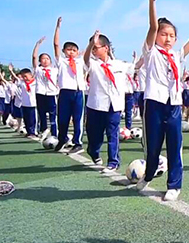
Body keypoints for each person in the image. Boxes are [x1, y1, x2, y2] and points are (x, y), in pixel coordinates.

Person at [136, 0, 189, 201]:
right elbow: (152, 27)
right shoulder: (151, 52)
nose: (168, 38)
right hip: (154, 103)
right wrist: (152, 1)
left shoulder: (177, 55)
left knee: (175, 145)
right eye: (163, 34)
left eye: (171, 36)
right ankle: (149, 174)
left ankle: (174, 185)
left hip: (174, 105)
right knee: (153, 146)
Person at [83, 30, 128, 172]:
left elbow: (136, 66)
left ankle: (113, 162)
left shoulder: (119, 64)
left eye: (96, 47)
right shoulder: (92, 63)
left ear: (106, 48)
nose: (93, 51)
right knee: (95, 137)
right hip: (96, 105)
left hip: (114, 105)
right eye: (92, 48)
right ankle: (93, 151)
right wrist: (91, 44)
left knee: (113, 134)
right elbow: (86, 58)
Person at [53, 17, 86, 154]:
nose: (71, 52)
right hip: (65, 92)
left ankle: (78, 143)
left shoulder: (81, 61)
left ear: (77, 52)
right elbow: (56, 44)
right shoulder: (61, 61)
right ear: (64, 51)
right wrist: (58, 27)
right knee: (62, 119)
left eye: (74, 50)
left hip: (78, 92)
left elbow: (88, 53)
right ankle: (62, 139)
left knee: (78, 119)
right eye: (68, 49)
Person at [32, 36, 59, 139]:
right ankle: (43, 131)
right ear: (40, 61)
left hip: (52, 94)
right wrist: (38, 44)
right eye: (43, 58)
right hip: (40, 93)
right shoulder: (38, 70)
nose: (45, 60)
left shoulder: (54, 70)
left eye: (47, 58)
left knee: (53, 115)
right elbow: (34, 57)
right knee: (42, 114)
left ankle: (54, 133)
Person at [9, 65, 38, 138]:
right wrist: (11, 71)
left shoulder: (35, 82)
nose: (24, 78)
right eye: (23, 77)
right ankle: (29, 132)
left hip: (33, 104)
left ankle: (33, 132)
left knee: (32, 119)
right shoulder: (22, 83)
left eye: (26, 76)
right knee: (26, 119)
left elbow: (36, 72)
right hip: (24, 104)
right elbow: (16, 78)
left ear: (30, 75)